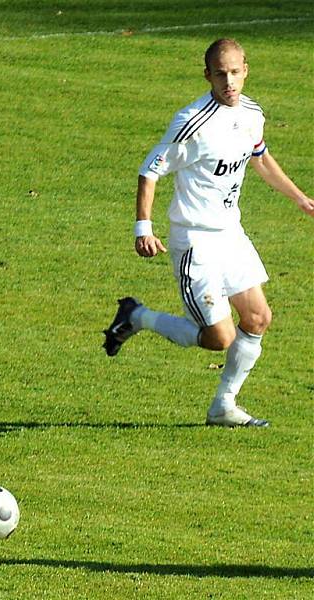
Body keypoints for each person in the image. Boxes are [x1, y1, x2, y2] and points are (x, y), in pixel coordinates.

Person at [103, 39, 314, 427]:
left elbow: (261, 158)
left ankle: (223, 406)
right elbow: (150, 170)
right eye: (220, 74)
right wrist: (143, 228)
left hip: (230, 234)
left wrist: (300, 198)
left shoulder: (251, 113)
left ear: (246, 70)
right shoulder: (192, 122)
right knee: (220, 338)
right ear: (208, 76)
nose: (229, 81)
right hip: (195, 240)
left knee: (258, 318)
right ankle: (136, 317)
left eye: (235, 72)